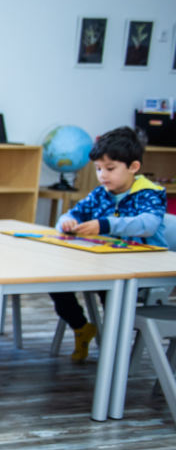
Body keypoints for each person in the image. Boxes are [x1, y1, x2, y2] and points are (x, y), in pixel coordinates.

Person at [51, 126, 168, 362]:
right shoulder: (101, 193)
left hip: (141, 269)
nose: (102, 175)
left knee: (111, 295)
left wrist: (104, 225)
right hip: (104, 265)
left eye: (110, 168)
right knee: (55, 279)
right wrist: (66, 223)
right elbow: (68, 215)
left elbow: (148, 224)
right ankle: (81, 327)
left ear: (133, 167)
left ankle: (115, 351)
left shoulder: (149, 193)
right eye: (98, 169)